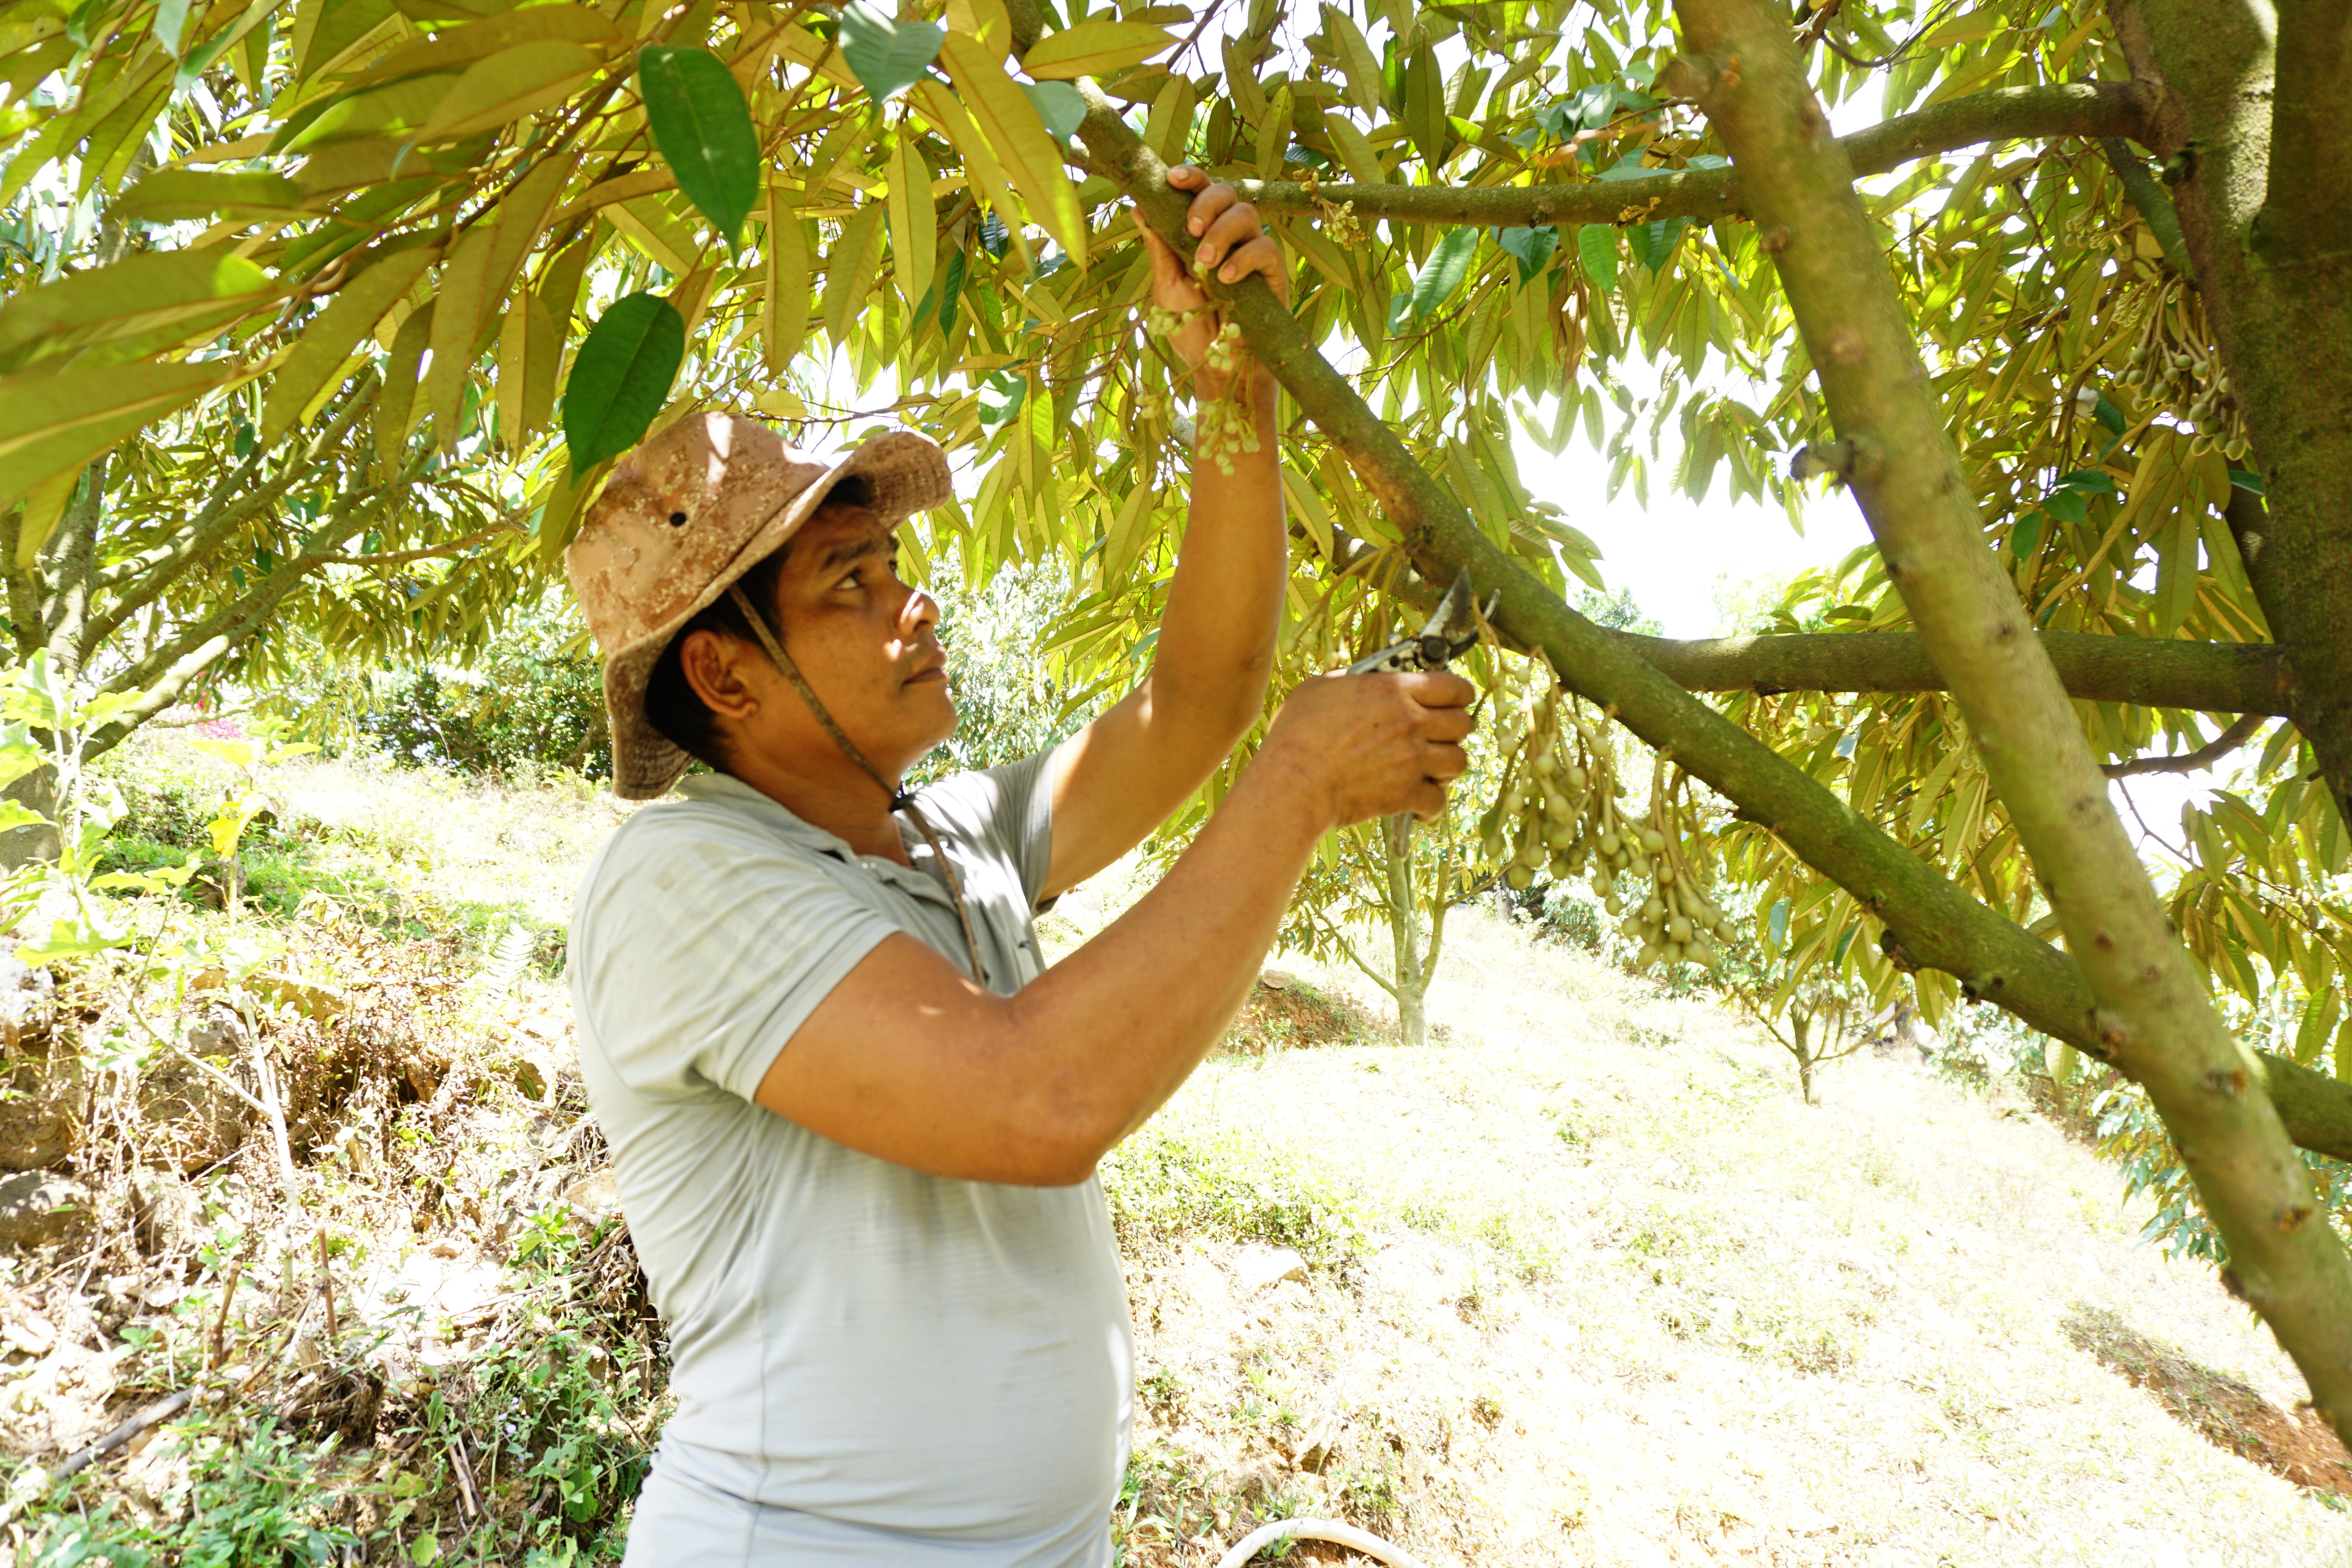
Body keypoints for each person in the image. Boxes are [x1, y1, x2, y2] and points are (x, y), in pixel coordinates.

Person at [563, 169, 1475, 1567]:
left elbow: (1199, 695)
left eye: (894, 562)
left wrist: (1232, 377)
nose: (912, 599)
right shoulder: (684, 879)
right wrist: (1293, 790)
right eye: (851, 582)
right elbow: (1037, 1098)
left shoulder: (948, 841)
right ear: (724, 676)